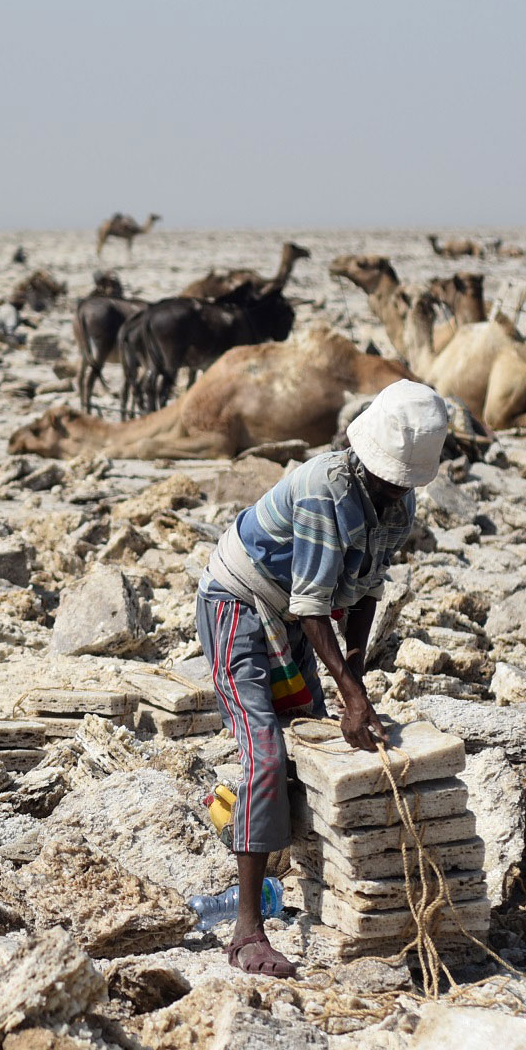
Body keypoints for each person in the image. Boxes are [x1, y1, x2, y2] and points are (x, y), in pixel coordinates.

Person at [197, 381, 446, 978]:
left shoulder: (398, 505)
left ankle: (271, 864)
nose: (393, 490)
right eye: (387, 479)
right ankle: (247, 933)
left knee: (307, 739)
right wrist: (353, 696)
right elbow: (312, 608)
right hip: (240, 605)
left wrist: (352, 688)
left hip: (292, 618)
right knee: (263, 750)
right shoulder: (322, 490)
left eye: (401, 483)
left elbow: (362, 596)